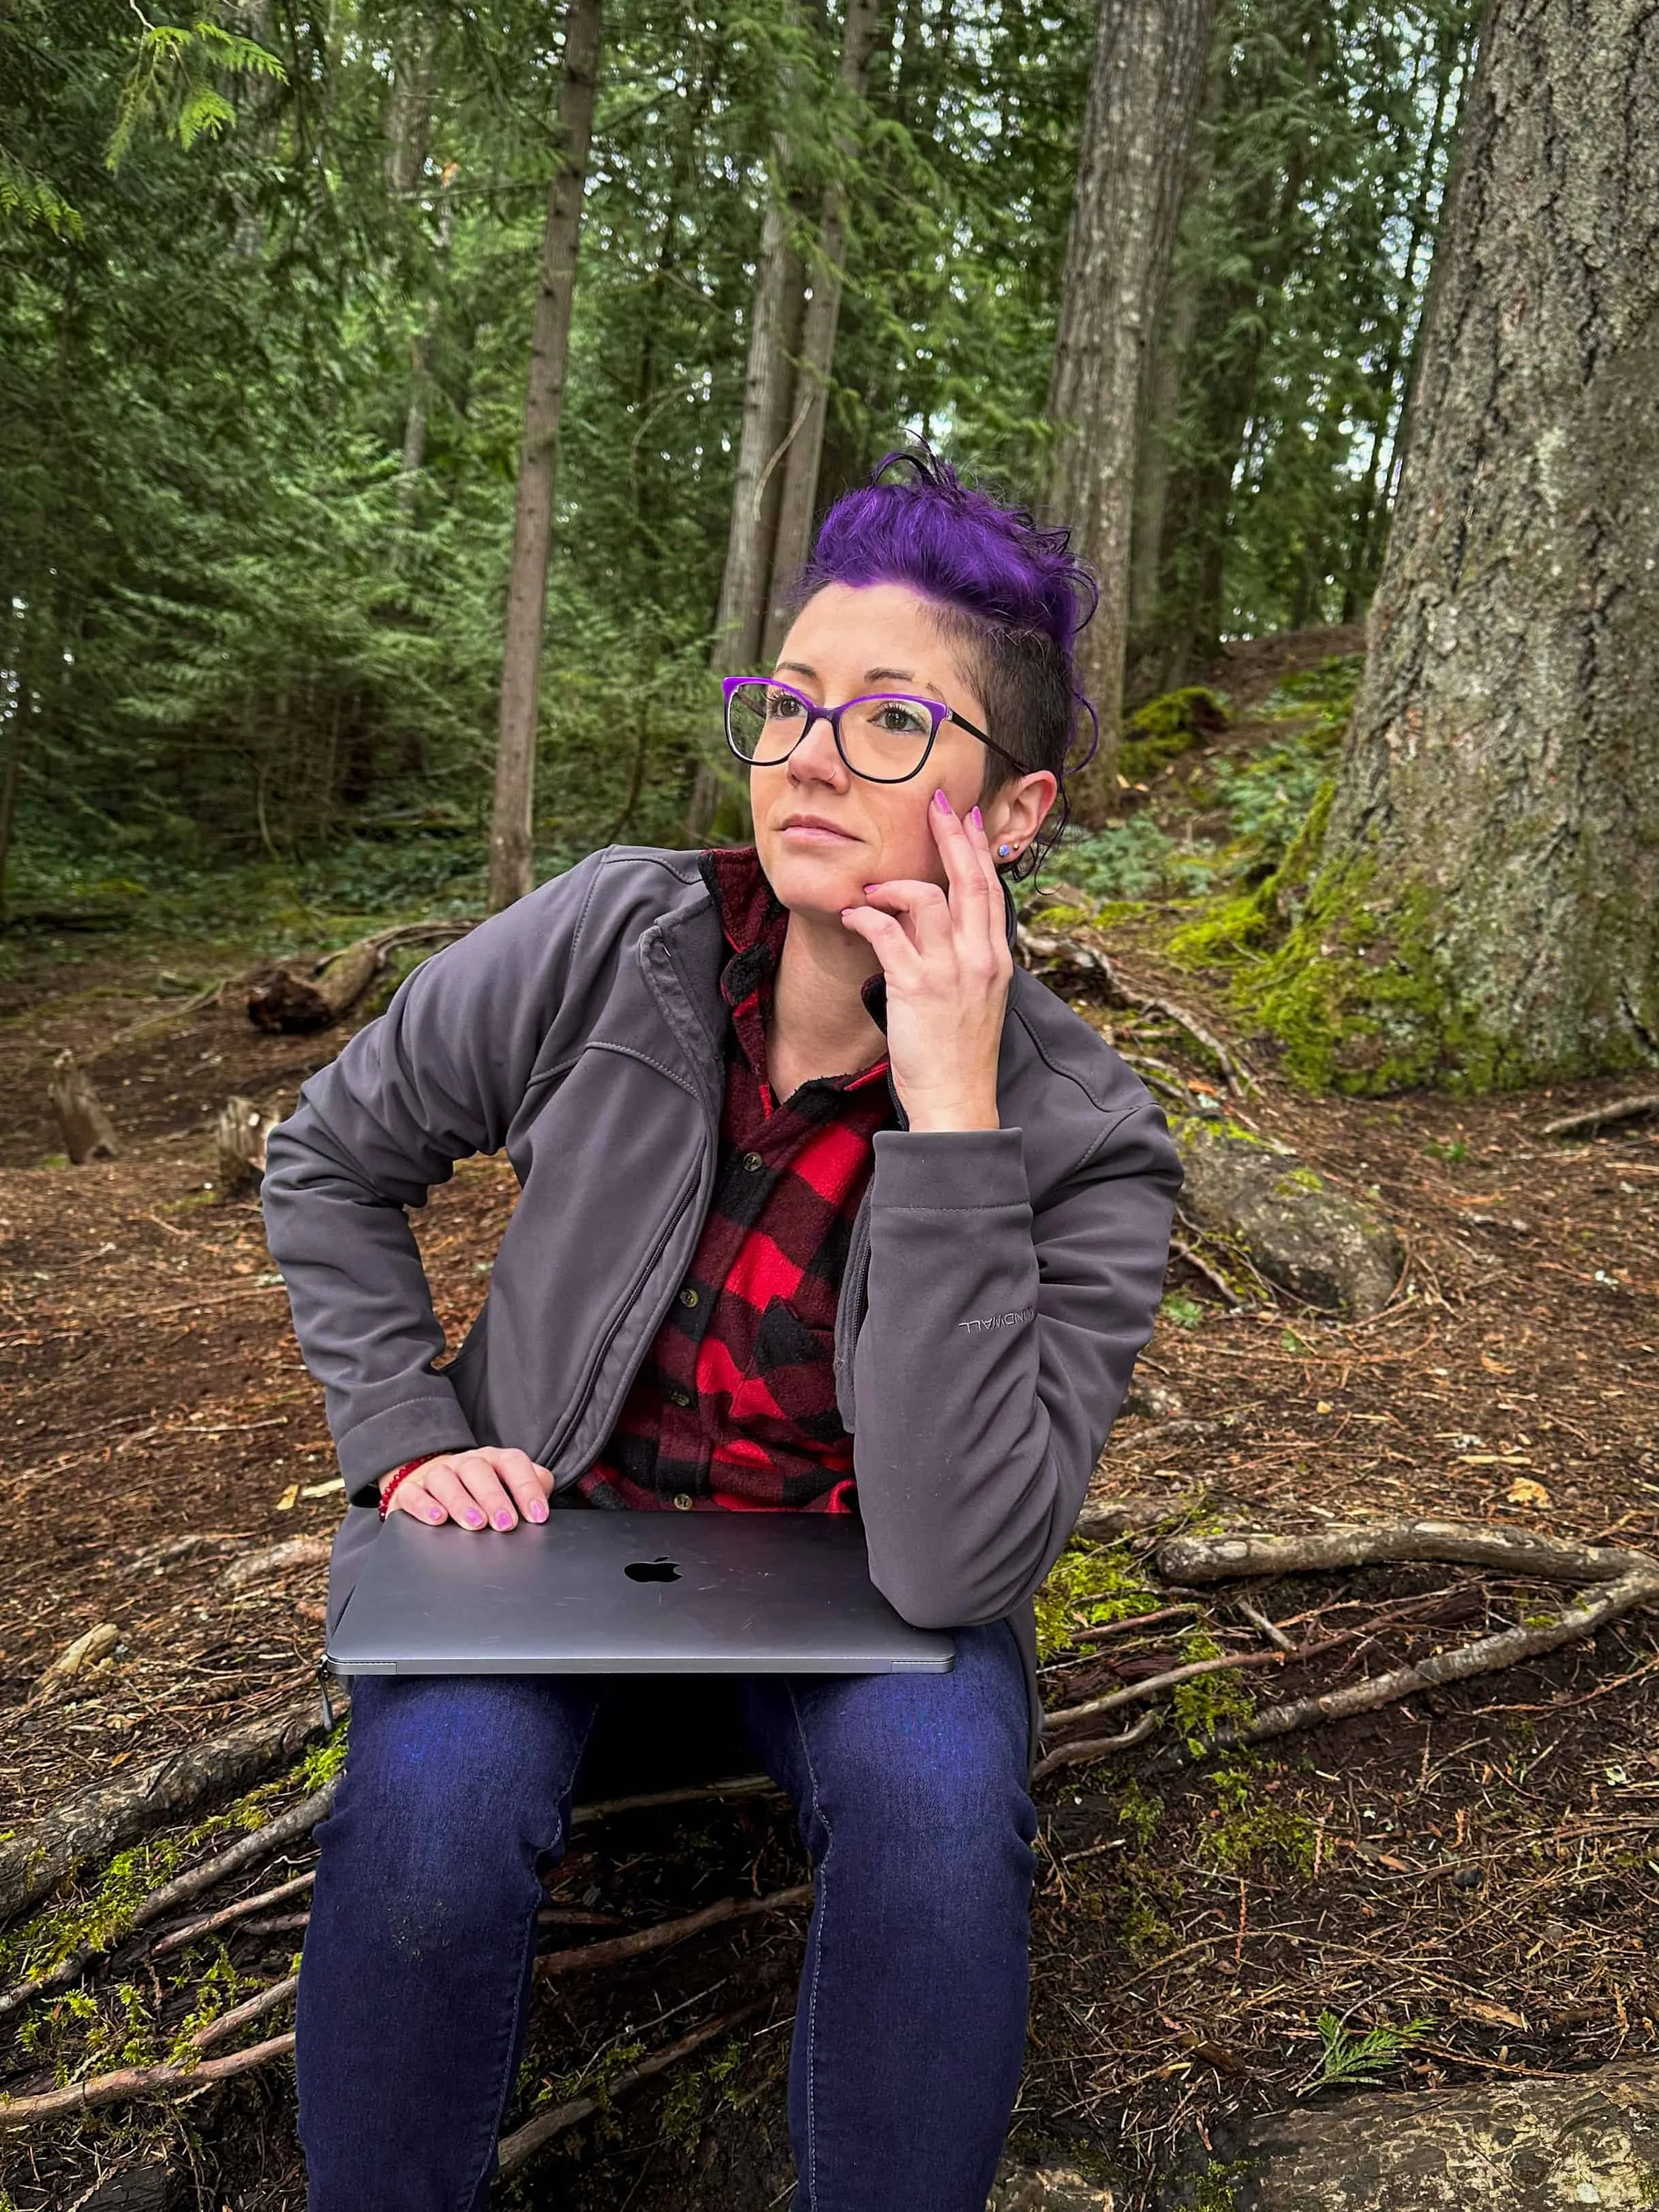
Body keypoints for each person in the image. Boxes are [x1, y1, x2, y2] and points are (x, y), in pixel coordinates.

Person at [261, 446, 1181, 2212]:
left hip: (857, 1595)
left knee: (937, 1827)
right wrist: (404, 1434)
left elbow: (955, 1556)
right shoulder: (616, 932)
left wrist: (954, 1120)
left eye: (892, 721)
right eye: (789, 702)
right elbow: (330, 1158)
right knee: (433, 1824)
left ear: (1011, 811)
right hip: (554, 1546)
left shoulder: (1085, 1139)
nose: (811, 754)